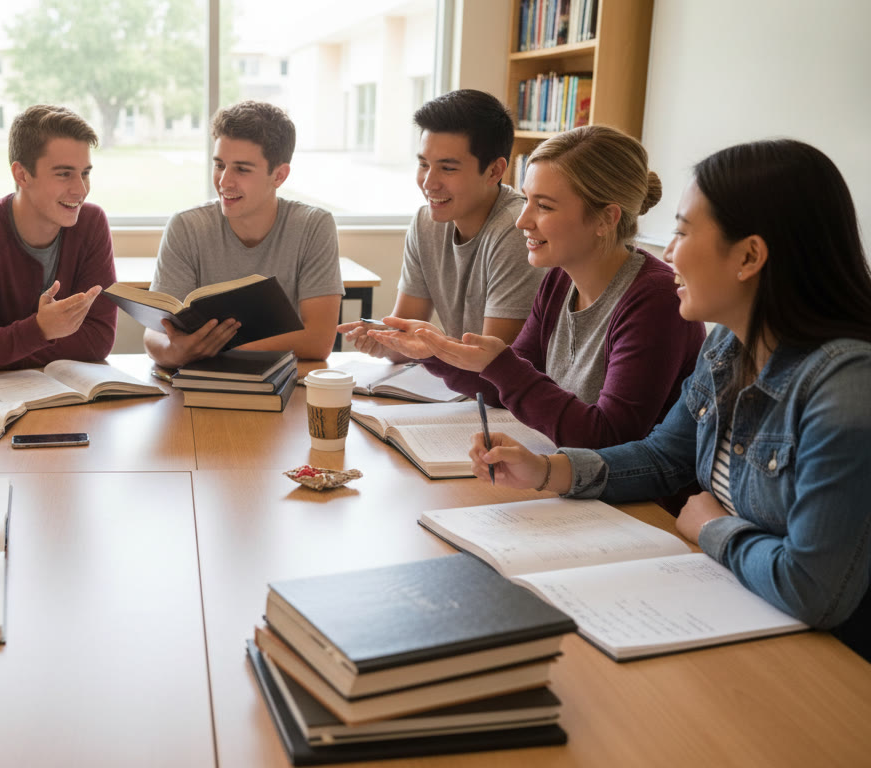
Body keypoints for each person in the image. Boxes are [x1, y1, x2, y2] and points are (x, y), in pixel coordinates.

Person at [471, 139, 871, 658]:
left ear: (749, 256)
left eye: (682, 232)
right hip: (739, 607)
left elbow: (814, 591)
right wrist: (548, 471)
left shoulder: (845, 388)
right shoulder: (731, 343)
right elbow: (663, 457)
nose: (666, 252)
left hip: (829, 659)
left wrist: (712, 528)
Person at [370, 125, 704, 449]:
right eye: (526, 199)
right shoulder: (560, 279)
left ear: (606, 219)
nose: (522, 220)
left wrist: (500, 365)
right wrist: (436, 351)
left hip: (638, 503)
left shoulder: (656, 300)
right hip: (572, 480)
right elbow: (507, 386)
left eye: (543, 206)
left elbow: (608, 438)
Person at [338, 89, 544, 359]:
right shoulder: (426, 223)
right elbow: (404, 340)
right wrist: (383, 341)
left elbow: (492, 364)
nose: (428, 182)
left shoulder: (516, 231)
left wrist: (425, 344)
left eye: (447, 168)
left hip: (502, 398)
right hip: (464, 390)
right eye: (424, 164)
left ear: (494, 171)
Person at [144, 101, 343, 368]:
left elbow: (319, 340)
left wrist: (215, 346)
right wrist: (176, 352)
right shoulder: (186, 227)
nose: (224, 181)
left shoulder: (313, 226)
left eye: (242, 169)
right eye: (219, 165)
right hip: (199, 387)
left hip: (280, 385)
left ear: (279, 176)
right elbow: (155, 334)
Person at [0, 104, 116, 373]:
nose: (81, 189)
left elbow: (98, 339)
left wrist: (3, 347)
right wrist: (40, 330)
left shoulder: (91, 223)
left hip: (61, 400)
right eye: (64, 174)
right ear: (22, 174)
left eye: (85, 173)